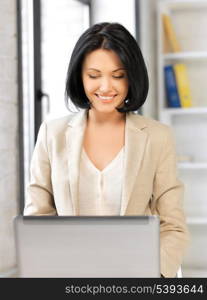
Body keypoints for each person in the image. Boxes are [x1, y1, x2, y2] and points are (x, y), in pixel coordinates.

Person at [24, 22, 190, 277]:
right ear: (79, 76)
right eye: (94, 75)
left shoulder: (157, 137)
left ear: (131, 76)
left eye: (118, 75)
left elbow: (173, 226)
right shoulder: (52, 134)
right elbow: (37, 219)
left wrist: (153, 275)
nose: (105, 87)